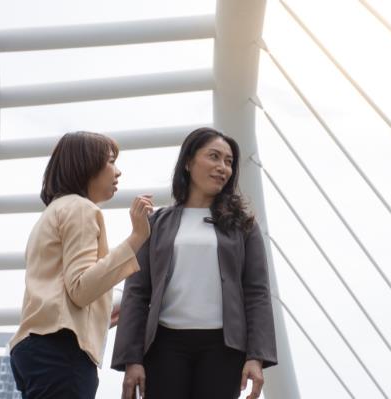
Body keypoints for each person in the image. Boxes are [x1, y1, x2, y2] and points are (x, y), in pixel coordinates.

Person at [112, 127, 277, 399]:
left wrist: (256, 357)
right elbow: (137, 293)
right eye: (213, 157)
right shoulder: (155, 224)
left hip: (223, 349)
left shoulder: (244, 226)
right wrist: (132, 360)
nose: (222, 167)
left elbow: (257, 293)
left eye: (228, 161)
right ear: (188, 162)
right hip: (164, 347)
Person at [9, 131, 154, 399]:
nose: (118, 171)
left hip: (34, 347)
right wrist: (137, 237)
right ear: (85, 164)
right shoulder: (82, 209)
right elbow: (81, 288)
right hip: (62, 352)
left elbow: (65, 292)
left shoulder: (52, 213)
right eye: (111, 161)